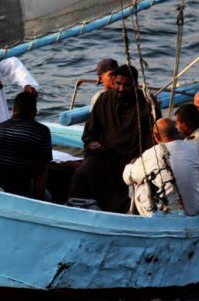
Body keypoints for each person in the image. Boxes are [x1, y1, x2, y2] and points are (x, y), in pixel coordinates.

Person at [69, 64, 161, 212]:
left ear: (135, 85)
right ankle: (77, 211)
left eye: (126, 85)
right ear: (113, 82)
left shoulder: (145, 104)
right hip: (104, 156)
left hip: (133, 160)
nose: (121, 89)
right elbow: (89, 133)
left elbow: (153, 140)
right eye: (118, 84)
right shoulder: (104, 99)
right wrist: (92, 143)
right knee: (82, 173)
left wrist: (141, 158)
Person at [123, 118, 199, 216]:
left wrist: (131, 165)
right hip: (193, 208)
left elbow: (128, 178)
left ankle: (137, 216)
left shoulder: (151, 153)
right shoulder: (192, 147)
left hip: (168, 213)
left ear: (156, 136)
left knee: (139, 183)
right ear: (176, 132)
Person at [0, 92, 52, 200]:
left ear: (13, 109)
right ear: (34, 112)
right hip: (18, 191)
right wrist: (40, 201)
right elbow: (41, 171)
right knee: (48, 197)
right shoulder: (42, 131)